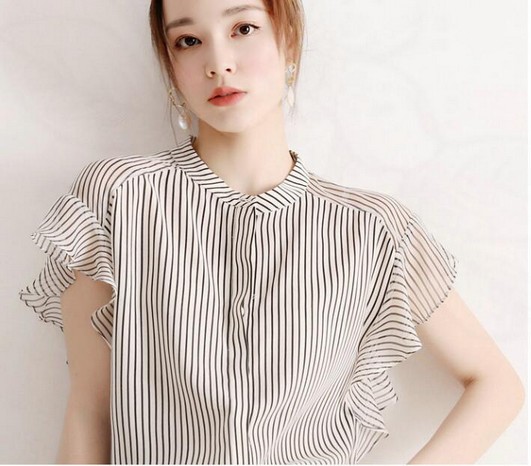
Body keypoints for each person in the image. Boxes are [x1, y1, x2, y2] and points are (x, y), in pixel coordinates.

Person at [18, 0, 525, 464]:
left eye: (243, 28)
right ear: (170, 65)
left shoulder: (373, 229)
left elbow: (496, 384)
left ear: (288, 39)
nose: (218, 62)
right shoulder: (115, 198)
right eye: (188, 40)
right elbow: (89, 409)